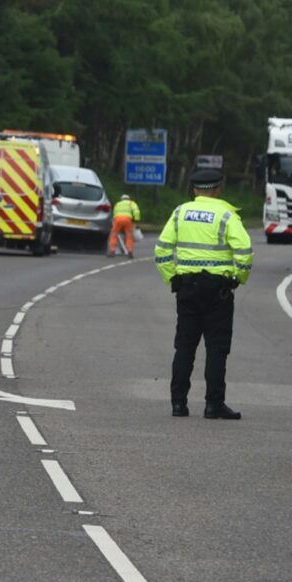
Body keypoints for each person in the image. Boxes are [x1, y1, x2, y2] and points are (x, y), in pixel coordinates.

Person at [154, 167, 253, 419]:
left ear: (194, 190)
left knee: (185, 346)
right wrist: (238, 278)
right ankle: (213, 405)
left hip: (187, 288)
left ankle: (178, 404)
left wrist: (172, 278)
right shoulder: (227, 215)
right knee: (216, 348)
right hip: (218, 291)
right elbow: (244, 251)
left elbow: (162, 250)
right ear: (218, 189)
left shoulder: (180, 212)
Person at [107, 193, 142, 258]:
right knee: (129, 236)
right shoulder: (131, 203)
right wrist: (136, 221)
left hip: (117, 219)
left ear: (121, 199)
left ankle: (112, 251)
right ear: (128, 198)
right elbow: (137, 212)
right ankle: (130, 251)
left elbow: (114, 214)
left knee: (114, 235)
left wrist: (116, 224)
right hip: (128, 219)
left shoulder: (118, 204)